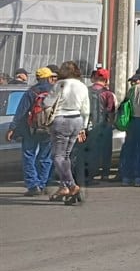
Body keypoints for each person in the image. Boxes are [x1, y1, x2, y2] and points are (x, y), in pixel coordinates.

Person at [5, 67, 56, 196]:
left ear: (38, 78)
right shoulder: (55, 91)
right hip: (49, 129)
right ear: (49, 78)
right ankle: (42, 184)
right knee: (45, 157)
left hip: (31, 129)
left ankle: (33, 185)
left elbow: (21, 112)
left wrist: (12, 128)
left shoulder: (31, 92)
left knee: (29, 156)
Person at [45, 61, 90, 200]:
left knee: (57, 156)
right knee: (66, 155)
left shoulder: (60, 84)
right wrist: (83, 127)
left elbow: (47, 103)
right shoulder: (82, 86)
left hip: (61, 119)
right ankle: (64, 187)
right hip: (77, 119)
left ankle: (71, 185)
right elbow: (86, 109)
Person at [85, 68, 116, 183]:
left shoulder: (86, 91)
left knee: (90, 150)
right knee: (106, 150)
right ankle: (105, 174)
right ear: (106, 79)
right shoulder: (108, 93)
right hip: (104, 125)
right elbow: (111, 110)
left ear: (95, 77)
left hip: (88, 125)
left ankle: (90, 175)